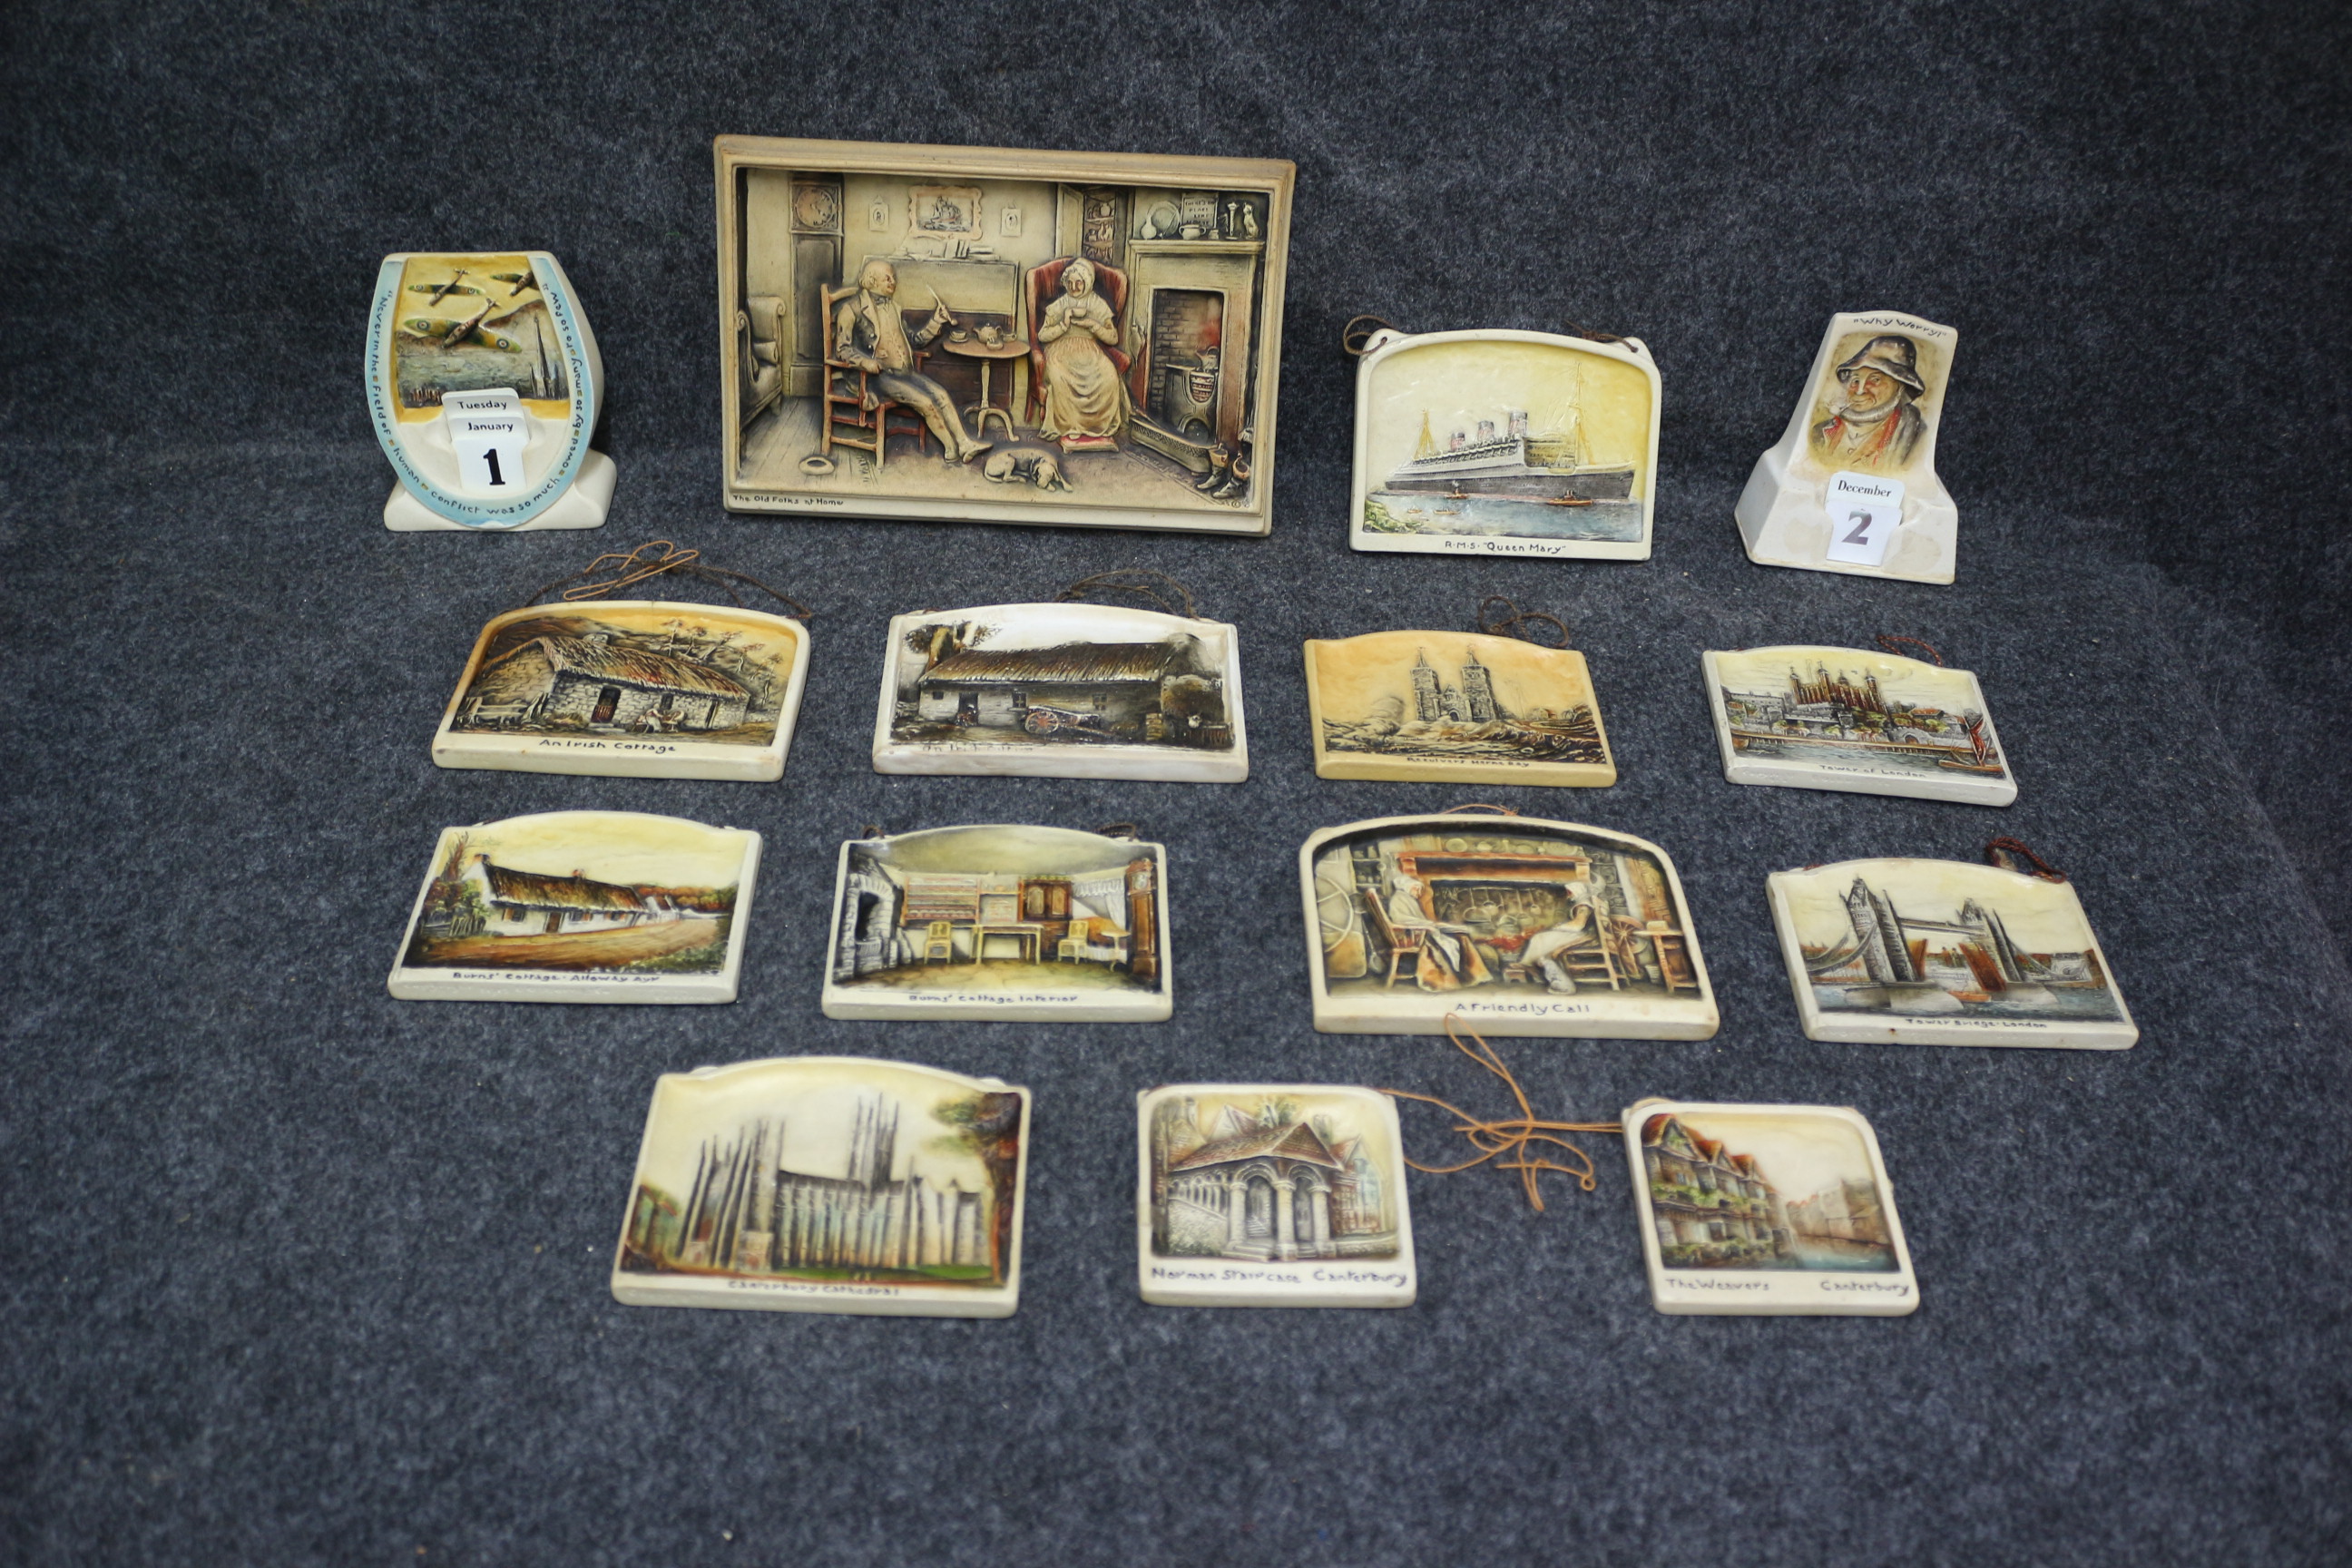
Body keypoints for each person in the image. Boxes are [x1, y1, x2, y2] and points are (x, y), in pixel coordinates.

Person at [832, 260, 990, 464]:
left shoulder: (894, 308)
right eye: (887, 278)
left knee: (941, 395)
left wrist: (936, 321)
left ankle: (965, 443)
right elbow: (842, 349)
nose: (893, 281)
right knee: (926, 402)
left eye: (893, 277)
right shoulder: (851, 309)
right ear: (872, 281)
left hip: (905, 372)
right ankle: (951, 449)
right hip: (876, 379)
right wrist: (866, 363)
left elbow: (914, 341)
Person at [1034, 259, 1129, 451]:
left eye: (1079, 283)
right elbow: (1042, 336)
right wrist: (1064, 324)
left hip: (1090, 350)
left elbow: (1112, 338)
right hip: (1060, 349)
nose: (1074, 287)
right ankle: (1070, 427)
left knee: (1109, 376)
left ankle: (1098, 427)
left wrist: (1093, 326)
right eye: (1070, 283)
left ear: (1087, 283)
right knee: (1060, 377)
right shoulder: (1060, 304)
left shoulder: (1098, 304)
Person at [1810, 335, 1927, 473]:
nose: (1860, 390)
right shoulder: (1821, 431)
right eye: (1855, 381)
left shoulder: (1917, 435)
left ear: (1900, 387)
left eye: (1875, 380)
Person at [1383, 872, 1492, 991]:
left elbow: (1419, 920)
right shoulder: (1399, 899)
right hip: (1410, 935)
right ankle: (1443, 981)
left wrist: (1431, 924)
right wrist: (1429, 925)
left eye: (1420, 890)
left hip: (1420, 930)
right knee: (1442, 942)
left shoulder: (1409, 899)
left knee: (1461, 936)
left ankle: (1473, 975)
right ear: (1408, 887)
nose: (1419, 893)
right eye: (1416, 889)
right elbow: (1402, 919)